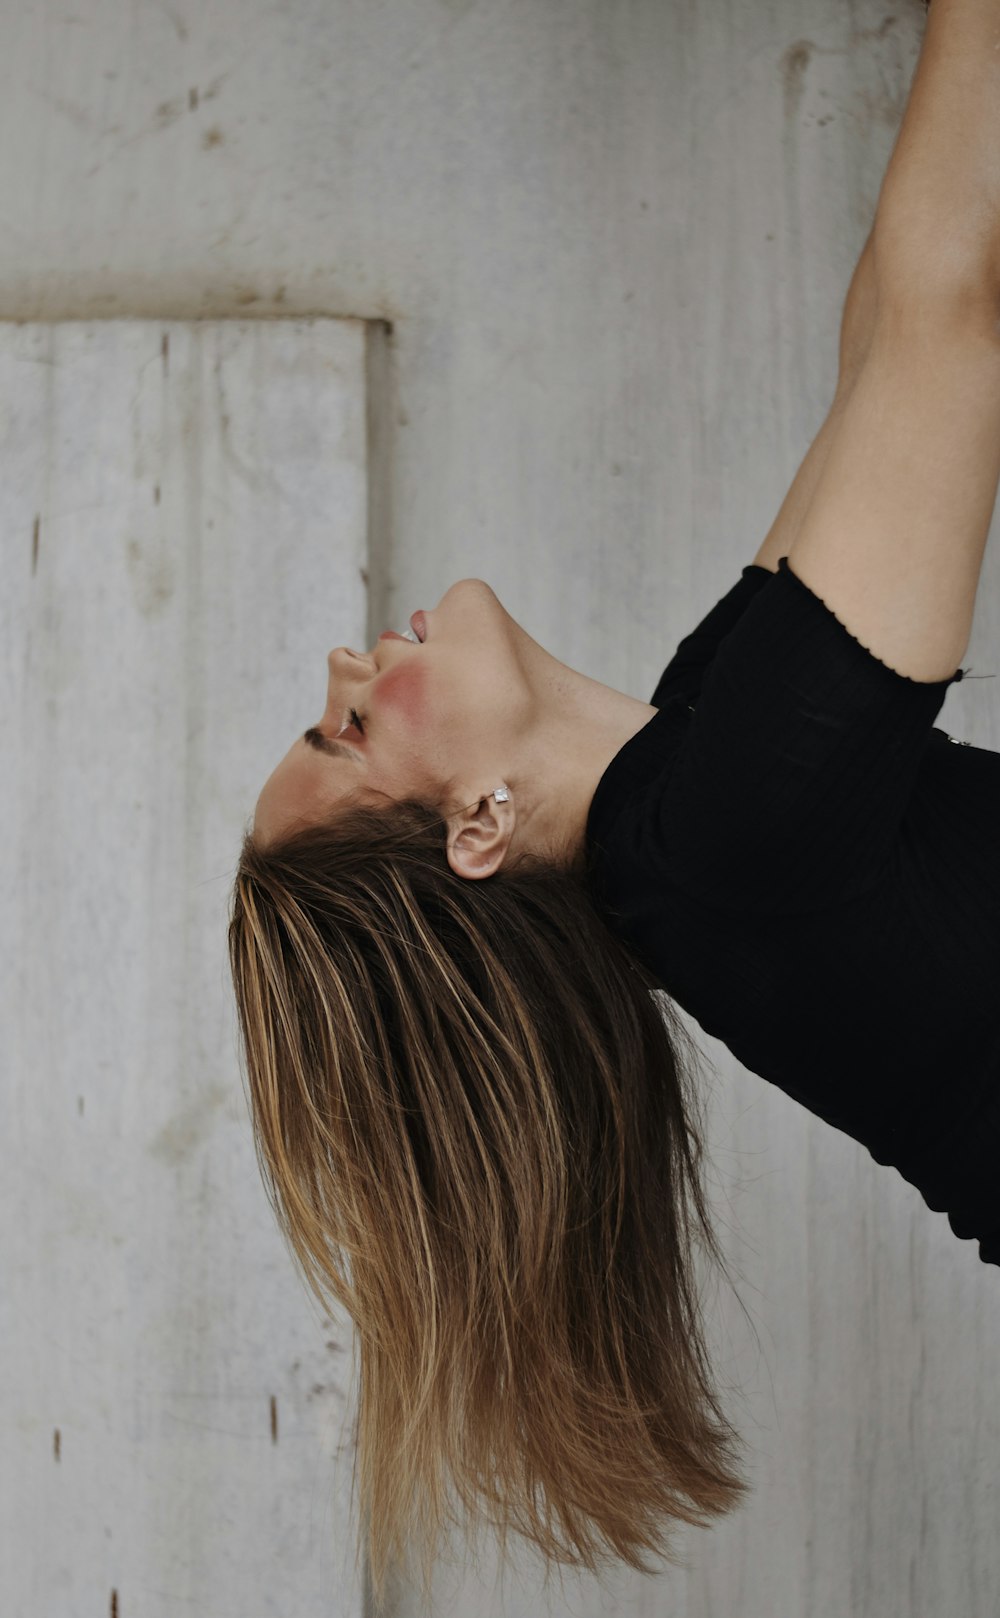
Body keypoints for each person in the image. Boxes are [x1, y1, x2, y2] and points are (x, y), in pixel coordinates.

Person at [228, 1, 1000, 1605]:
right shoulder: (735, 836)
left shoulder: (693, 788)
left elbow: (882, 345)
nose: (344, 659)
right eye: (353, 728)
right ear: (478, 828)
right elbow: (952, 320)